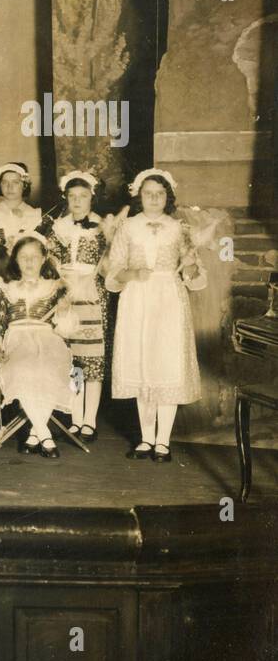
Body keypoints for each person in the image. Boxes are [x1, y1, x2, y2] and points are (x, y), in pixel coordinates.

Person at [104, 169, 207, 462]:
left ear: (167, 197)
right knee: (142, 366)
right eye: (148, 193)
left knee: (166, 365)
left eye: (159, 194)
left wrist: (188, 265)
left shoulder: (179, 229)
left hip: (169, 301)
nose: (153, 198)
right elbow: (113, 272)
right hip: (137, 297)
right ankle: (146, 439)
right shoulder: (127, 227)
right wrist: (133, 273)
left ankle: (163, 441)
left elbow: (193, 275)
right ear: (139, 196)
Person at [0, 233, 73, 458]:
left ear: (44, 258)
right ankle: (45, 436)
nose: (29, 262)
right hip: (16, 339)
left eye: (34, 256)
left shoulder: (56, 287)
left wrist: (64, 312)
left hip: (48, 339)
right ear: (15, 259)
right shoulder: (4, 288)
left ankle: (36, 434)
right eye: (23, 257)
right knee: (24, 370)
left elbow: (65, 330)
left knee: (49, 369)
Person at [44, 171, 110, 441]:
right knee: (73, 359)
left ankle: (90, 420)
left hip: (93, 295)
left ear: (92, 199)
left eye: (83, 197)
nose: (77, 201)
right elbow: (50, 260)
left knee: (92, 359)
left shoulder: (102, 228)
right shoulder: (57, 228)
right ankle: (75, 417)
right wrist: (61, 284)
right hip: (67, 293)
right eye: (72, 197)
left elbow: (109, 265)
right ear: (65, 199)